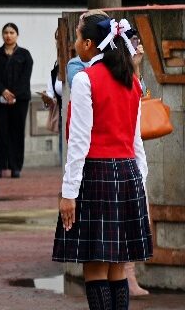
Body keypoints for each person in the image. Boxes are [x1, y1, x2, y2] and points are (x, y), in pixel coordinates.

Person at [54, 15, 152, 310]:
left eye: (77, 38)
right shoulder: (131, 81)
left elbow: (79, 142)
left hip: (96, 174)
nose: (73, 44)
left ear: (88, 44)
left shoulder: (86, 79)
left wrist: (69, 193)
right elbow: (136, 141)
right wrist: (140, 184)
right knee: (117, 266)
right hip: (128, 174)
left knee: (95, 266)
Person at [0, 22, 34, 178]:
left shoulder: (25, 55)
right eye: (6, 32)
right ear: (2, 35)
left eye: (12, 32)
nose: (8, 35)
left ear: (17, 35)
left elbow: (25, 77)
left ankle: (16, 167)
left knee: (17, 132)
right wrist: (4, 91)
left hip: (20, 101)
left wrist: (14, 95)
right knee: (0, 132)